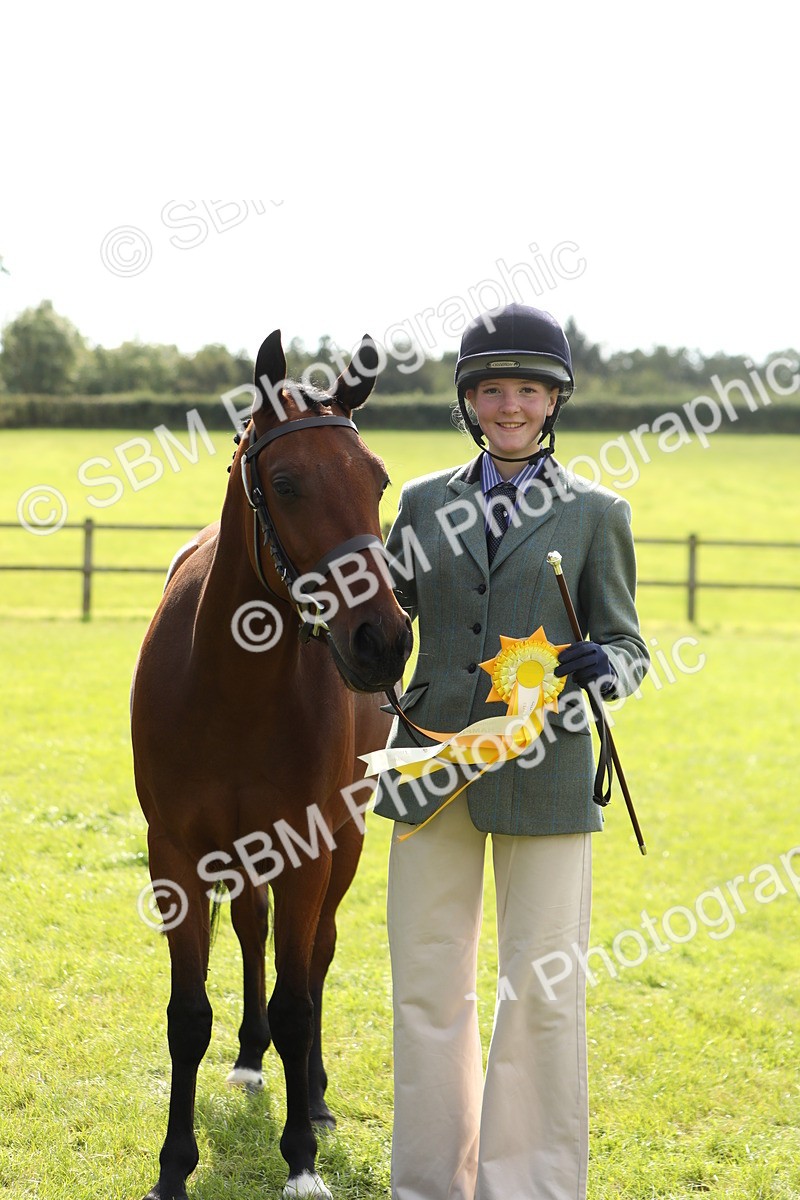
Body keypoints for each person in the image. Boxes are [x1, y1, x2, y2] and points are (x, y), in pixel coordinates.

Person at [372, 303, 650, 1200]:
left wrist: (606, 664)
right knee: (425, 987)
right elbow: (382, 618)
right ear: (468, 400)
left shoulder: (598, 514)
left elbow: (631, 648)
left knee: (540, 992)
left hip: (549, 769)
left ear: (554, 399)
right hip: (429, 765)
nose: (509, 405)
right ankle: (426, 1183)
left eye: (527, 389)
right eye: (492, 389)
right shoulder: (420, 503)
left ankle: (525, 1186)